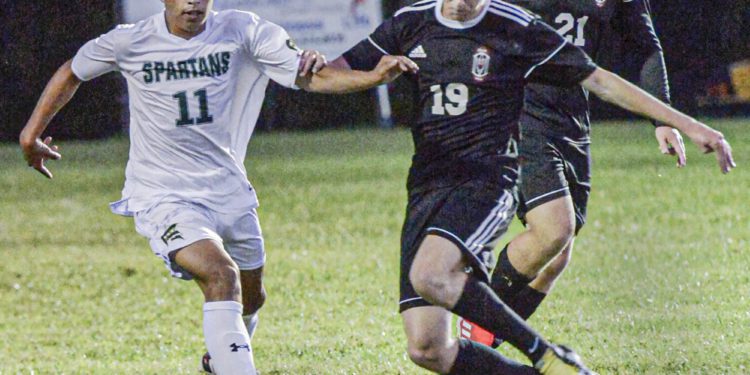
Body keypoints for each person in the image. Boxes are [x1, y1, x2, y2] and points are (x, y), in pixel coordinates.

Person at [331, 0, 734, 373]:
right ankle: (532, 357)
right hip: (466, 156)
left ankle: (527, 347)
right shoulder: (414, 21)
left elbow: (612, 71)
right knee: (427, 345)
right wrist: (334, 72)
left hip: (521, 152)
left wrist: (678, 121)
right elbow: (336, 68)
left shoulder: (514, 25)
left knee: (535, 254)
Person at [18, 1, 418, 374]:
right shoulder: (130, 40)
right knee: (219, 273)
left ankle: (220, 357)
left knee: (252, 295)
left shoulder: (243, 30)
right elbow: (72, 70)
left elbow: (311, 77)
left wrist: (372, 77)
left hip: (228, 190)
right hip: (163, 195)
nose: (192, 3)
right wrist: (30, 134)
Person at [458, 0, 734, 348]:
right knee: (554, 229)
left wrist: (663, 120)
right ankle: (475, 318)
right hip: (517, 111)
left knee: (557, 256)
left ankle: (483, 343)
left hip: (571, 117)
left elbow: (646, 48)